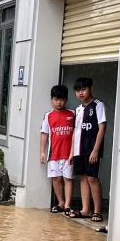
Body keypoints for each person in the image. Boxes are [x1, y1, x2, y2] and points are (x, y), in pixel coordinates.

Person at [70, 77, 108, 222]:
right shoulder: (78, 109)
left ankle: (97, 211)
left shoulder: (98, 105)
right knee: (83, 178)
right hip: (79, 150)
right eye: (78, 90)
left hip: (91, 149)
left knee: (93, 178)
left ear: (91, 89)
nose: (81, 93)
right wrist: (72, 152)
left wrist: (95, 150)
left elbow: (102, 127)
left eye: (83, 89)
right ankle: (85, 209)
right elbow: (76, 130)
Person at [39, 85, 75, 214]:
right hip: (53, 154)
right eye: (56, 99)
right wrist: (42, 151)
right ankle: (60, 203)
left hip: (68, 154)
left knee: (68, 179)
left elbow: (77, 133)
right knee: (56, 179)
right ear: (51, 99)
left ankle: (68, 205)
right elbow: (44, 134)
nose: (58, 102)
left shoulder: (73, 114)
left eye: (61, 99)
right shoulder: (48, 116)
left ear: (66, 99)